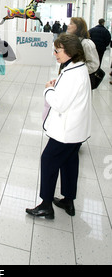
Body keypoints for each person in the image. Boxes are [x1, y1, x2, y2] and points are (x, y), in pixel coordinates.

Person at [26, 33, 92, 220]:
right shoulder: (78, 68)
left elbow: (60, 103)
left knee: (48, 160)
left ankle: (46, 205)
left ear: (70, 51)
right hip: (77, 130)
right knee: (70, 162)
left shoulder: (72, 74)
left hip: (67, 131)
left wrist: (48, 89)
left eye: (57, 50)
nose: (55, 54)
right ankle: (68, 200)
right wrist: (58, 86)